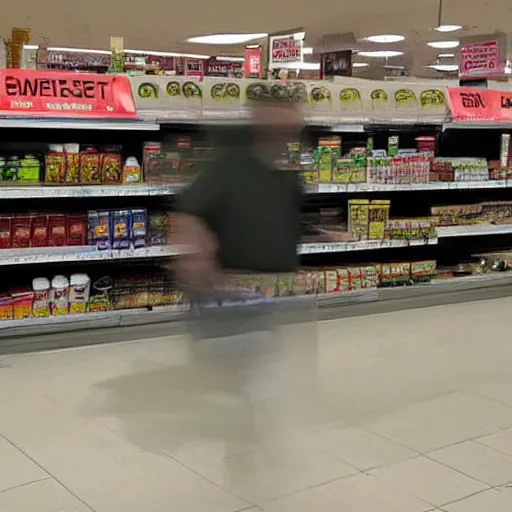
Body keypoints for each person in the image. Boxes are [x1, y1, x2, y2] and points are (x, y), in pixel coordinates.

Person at [173, 100, 304, 291]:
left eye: (290, 133)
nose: (287, 139)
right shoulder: (228, 168)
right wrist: (197, 255)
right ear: (260, 130)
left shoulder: (288, 176)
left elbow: (286, 222)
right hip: (234, 288)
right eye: (281, 132)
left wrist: (324, 237)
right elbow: (189, 212)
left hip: (279, 287)